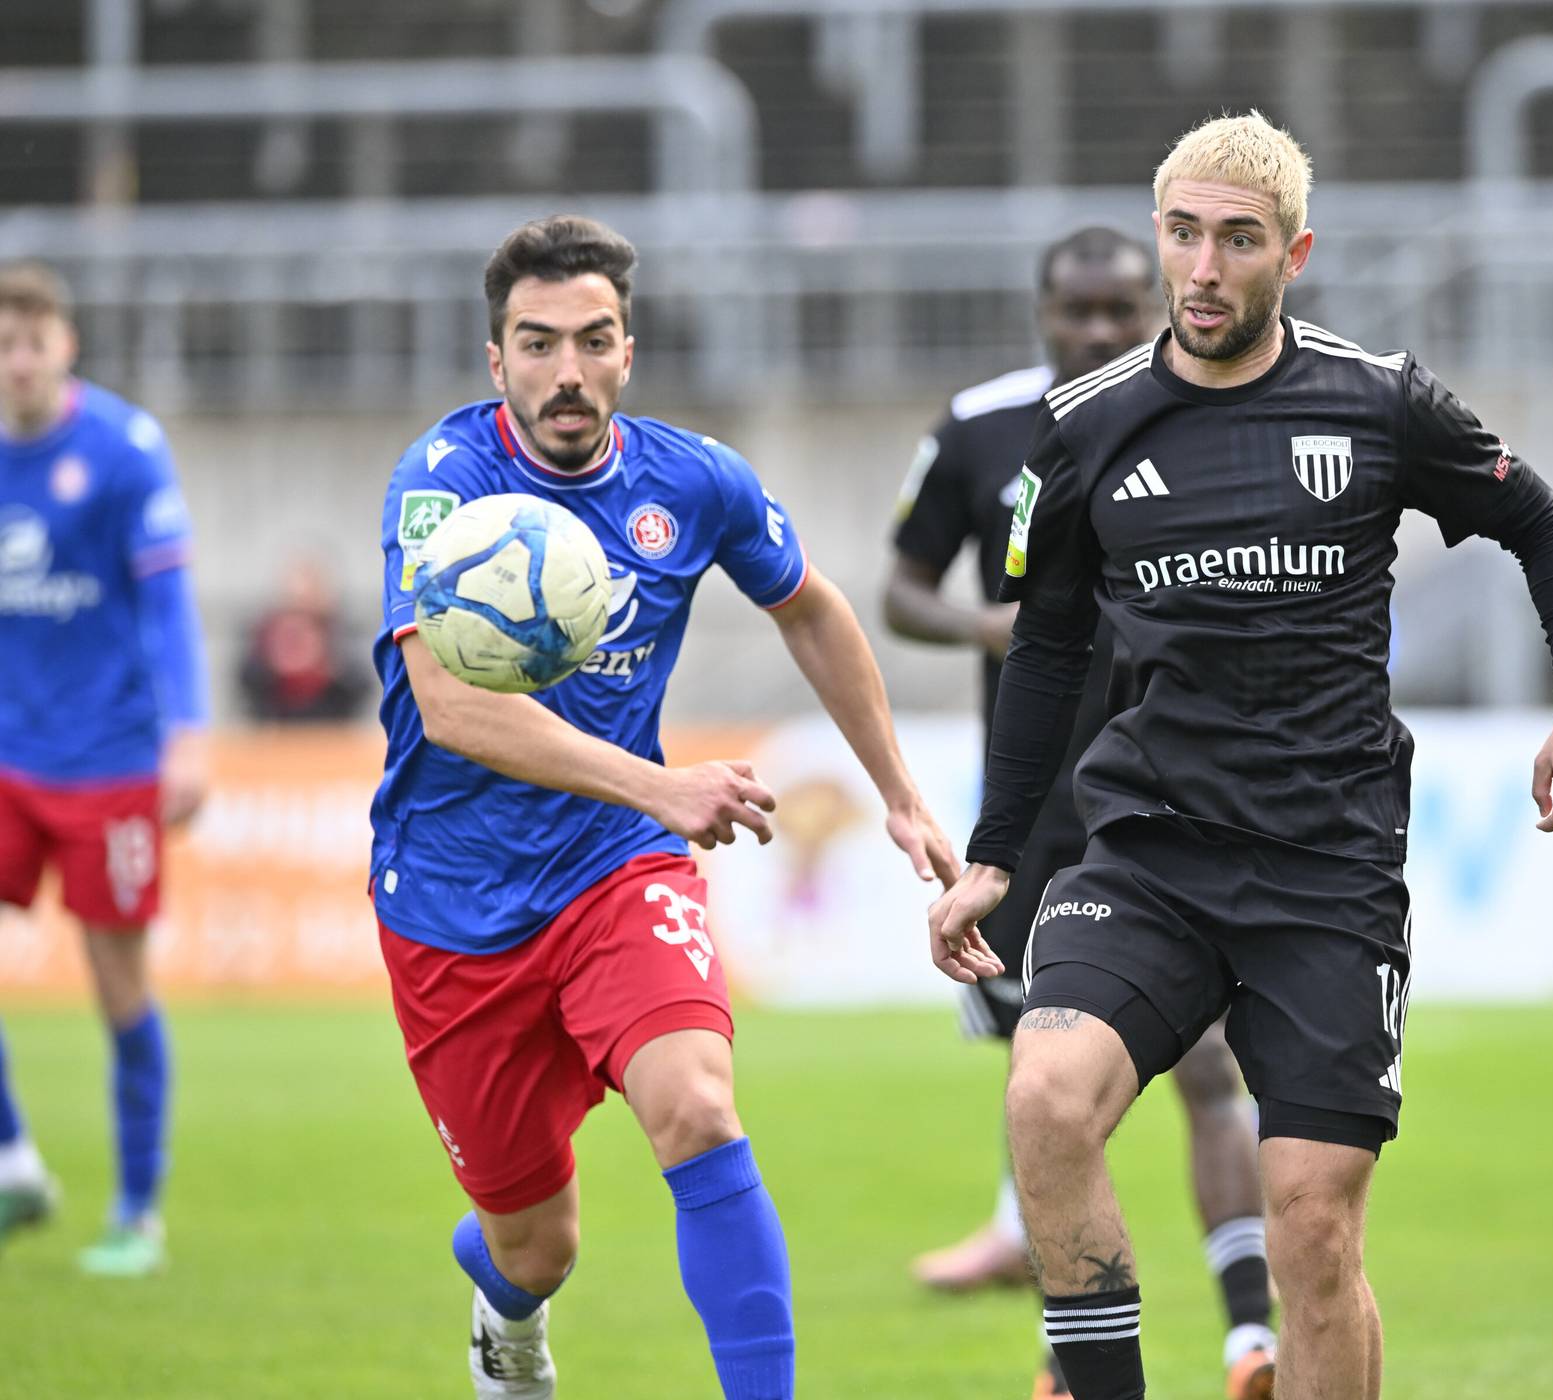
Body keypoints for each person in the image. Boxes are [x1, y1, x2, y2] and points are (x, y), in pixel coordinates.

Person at [927, 113, 1553, 1400]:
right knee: (1046, 1096)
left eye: (1236, 240)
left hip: (1325, 869)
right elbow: (1045, 652)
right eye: (1183, 235)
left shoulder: (1378, 399)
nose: (1202, 268)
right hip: (1145, 853)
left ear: (1292, 252)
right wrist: (991, 851)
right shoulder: (1085, 428)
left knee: (1312, 1226)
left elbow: (1549, 526)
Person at [370, 215, 960, 1400]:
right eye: (537, 345)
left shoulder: (691, 480)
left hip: (616, 869)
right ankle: (505, 1306)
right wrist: (664, 781)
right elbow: (450, 706)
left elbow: (812, 607)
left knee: (697, 1107)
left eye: (593, 341)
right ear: (497, 362)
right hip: (452, 899)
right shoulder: (442, 486)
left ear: (628, 350)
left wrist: (899, 794)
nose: (568, 372)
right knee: (538, 1242)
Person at [885, 227, 1276, 1400]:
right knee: (1048, 1087)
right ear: (1043, 311)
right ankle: (1073, 1339)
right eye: (1080, 313)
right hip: (1036, 807)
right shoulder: (983, 427)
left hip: (1180, 792)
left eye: (1122, 309)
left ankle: (1245, 1335)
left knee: (1208, 1067)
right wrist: (993, 627)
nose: (1103, 332)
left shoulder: (1207, 407)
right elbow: (901, 585)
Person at [0, 260, 207, 1276]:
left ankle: (139, 1208)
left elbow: (168, 607)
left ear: (62, 347)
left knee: (116, 982)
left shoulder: (123, 449)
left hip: (110, 760)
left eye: (28, 342)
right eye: (0, 346)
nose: (15, 364)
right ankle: (12, 1157)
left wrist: (192, 732)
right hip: (6, 752)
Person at [237, 556, 370, 721]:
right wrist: (274, 665)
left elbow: (361, 685)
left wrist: (327, 665)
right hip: (275, 730)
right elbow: (246, 681)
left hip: (331, 731)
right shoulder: (265, 631)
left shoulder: (340, 632)